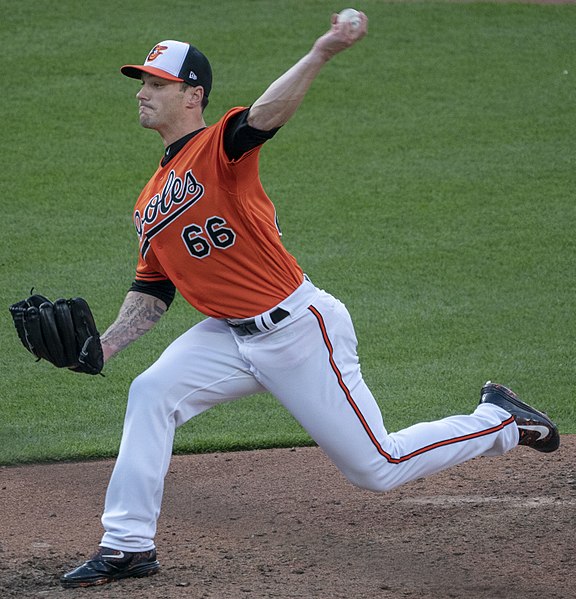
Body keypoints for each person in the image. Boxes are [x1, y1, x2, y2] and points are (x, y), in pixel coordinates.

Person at [60, 12, 559, 588]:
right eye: (142, 84)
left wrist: (321, 51)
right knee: (150, 393)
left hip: (298, 329)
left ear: (192, 95)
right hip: (226, 336)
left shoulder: (219, 147)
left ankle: (499, 420)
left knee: (378, 467)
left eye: (156, 84)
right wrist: (104, 347)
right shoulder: (150, 200)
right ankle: (127, 546)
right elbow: (153, 288)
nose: (143, 94)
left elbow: (263, 117)